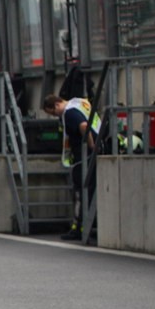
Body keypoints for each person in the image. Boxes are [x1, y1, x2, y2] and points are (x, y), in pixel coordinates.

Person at [42, 94, 99, 241]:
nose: (56, 116)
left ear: (56, 105)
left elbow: (84, 126)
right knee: (90, 190)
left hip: (83, 157)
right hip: (91, 155)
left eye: (53, 113)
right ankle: (89, 225)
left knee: (81, 191)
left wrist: (91, 146)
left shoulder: (69, 113)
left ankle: (79, 228)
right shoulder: (78, 103)